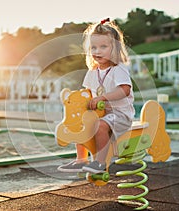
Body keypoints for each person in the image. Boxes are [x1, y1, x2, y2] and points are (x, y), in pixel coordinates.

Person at [58, 18, 135, 174]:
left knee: (100, 125)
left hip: (120, 115)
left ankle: (100, 163)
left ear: (114, 48)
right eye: (93, 47)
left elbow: (125, 90)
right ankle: (81, 159)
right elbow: (87, 92)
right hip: (102, 113)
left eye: (103, 47)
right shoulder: (93, 71)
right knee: (81, 122)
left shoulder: (118, 69)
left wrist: (103, 98)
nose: (97, 52)